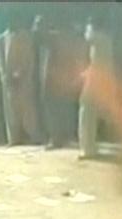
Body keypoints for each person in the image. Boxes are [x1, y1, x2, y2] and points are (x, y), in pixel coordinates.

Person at [35, 16, 87, 149]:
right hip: (54, 80)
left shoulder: (54, 38)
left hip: (56, 81)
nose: (35, 29)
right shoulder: (49, 40)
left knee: (57, 110)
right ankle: (59, 137)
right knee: (57, 109)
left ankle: (58, 138)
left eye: (38, 25)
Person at [0, 16, 41, 146]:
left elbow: (29, 57)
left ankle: (34, 135)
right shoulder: (1, 38)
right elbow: (0, 59)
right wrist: (4, 75)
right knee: (10, 110)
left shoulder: (25, 37)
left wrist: (22, 72)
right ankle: (13, 138)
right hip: (8, 79)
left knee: (27, 108)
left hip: (24, 78)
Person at [79, 15, 115, 159]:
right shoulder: (106, 38)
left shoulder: (99, 37)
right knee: (93, 112)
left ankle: (88, 148)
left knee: (87, 111)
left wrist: (85, 27)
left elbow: (87, 37)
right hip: (100, 76)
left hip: (97, 77)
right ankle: (89, 146)